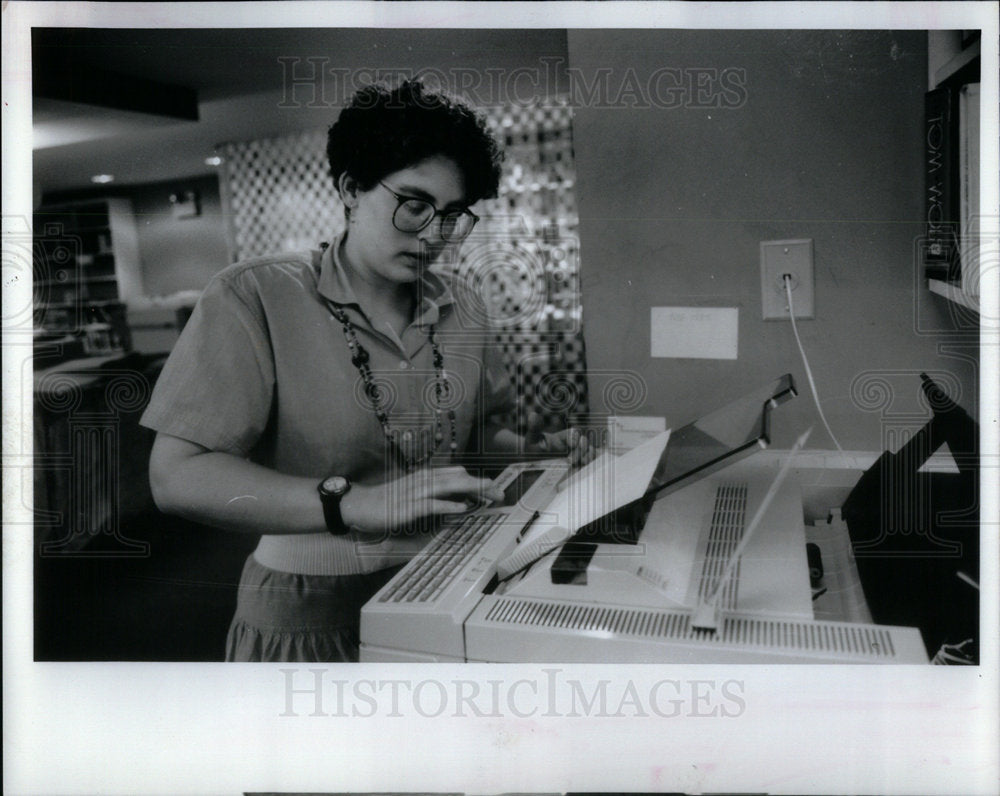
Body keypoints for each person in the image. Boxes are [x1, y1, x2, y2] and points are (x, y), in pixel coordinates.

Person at [142, 79, 592, 662]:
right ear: (351, 189)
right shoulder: (254, 294)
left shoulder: (466, 305)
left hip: (452, 586)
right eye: (414, 204)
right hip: (311, 609)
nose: (436, 234)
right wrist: (349, 503)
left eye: (454, 215)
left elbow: (479, 439)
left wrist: (537, 452)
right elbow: (176, 476)